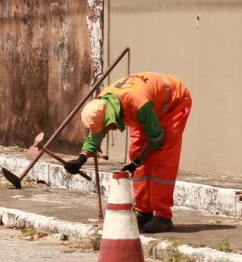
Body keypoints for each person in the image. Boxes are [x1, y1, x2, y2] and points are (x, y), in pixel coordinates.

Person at [64, 72, 192, 233]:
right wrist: (81, 159)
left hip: (173, 102)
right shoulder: (103, 104)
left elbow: (156, 138)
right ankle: (144, 212)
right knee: (137, 150)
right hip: (146, 103)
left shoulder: (138, 105)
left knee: (162, 156)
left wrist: (137, 163)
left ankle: (163, 216)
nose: (109, 130)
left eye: (108, 126)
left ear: (110, 117)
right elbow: (95, 138)